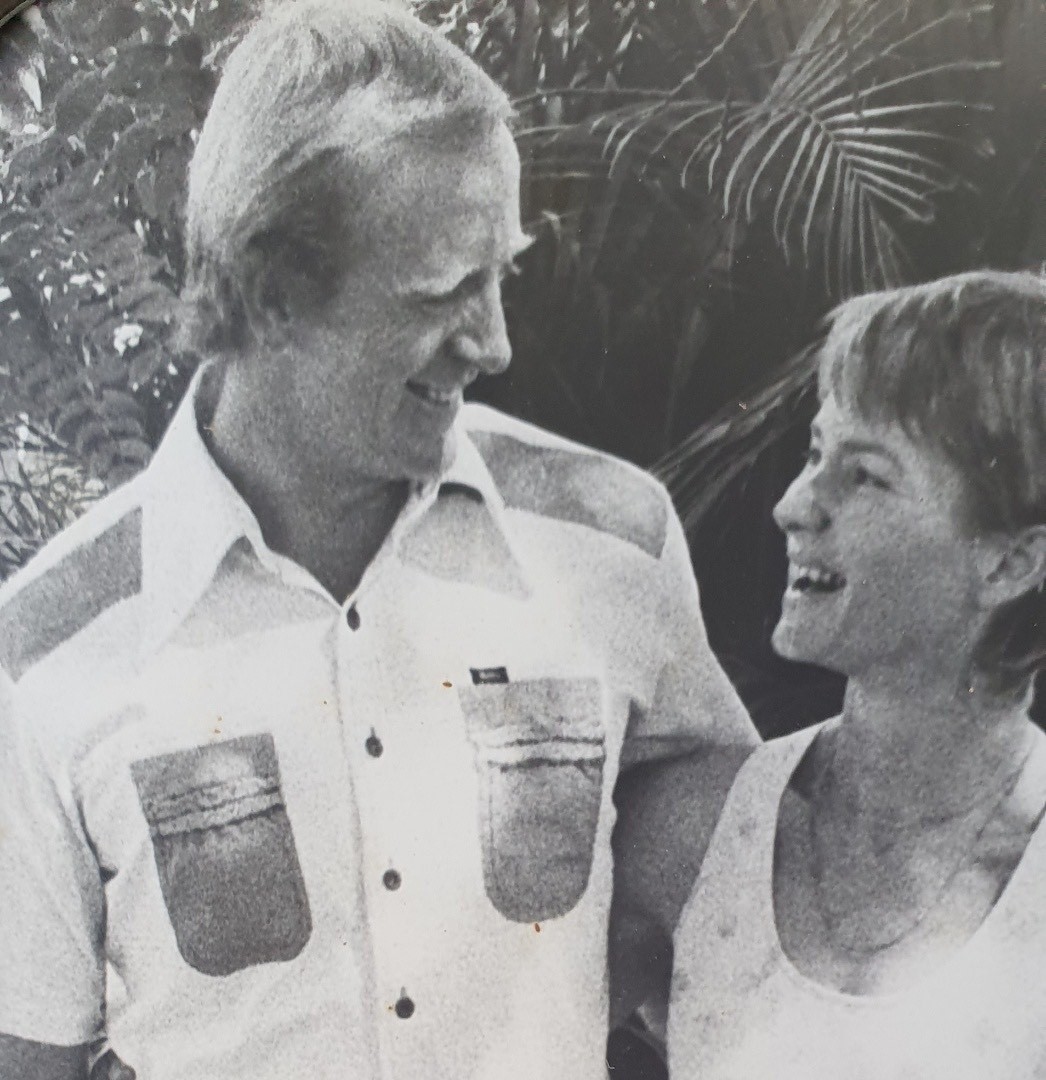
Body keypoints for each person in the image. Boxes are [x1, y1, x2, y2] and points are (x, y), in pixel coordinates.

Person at [0, 3, 757, 1078]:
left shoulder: (609, 543)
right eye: (441, 293)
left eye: (502, 275)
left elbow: (751, 921)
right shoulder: (46, 654)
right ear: (271, 299)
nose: (492, 343)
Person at [659, 270, 1046, 1078]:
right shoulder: (697, 831)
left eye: (865, 475)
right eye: (814, 453)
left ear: (1011, 561)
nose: (795, 504)